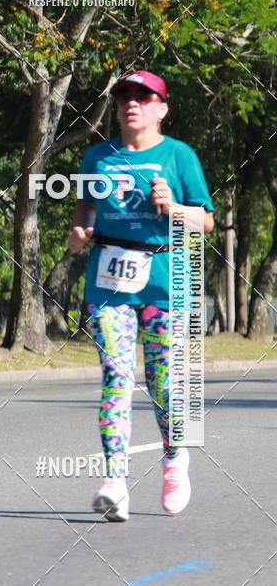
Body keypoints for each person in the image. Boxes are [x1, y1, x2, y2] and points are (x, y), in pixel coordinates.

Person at [67, 70, 214, 522]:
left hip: (168, 277)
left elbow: (205, 223)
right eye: (124, 96)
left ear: (162, 108)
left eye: (144, 96)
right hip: (109, 279)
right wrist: (78, 231)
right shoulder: (97, 156)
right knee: (116, 375)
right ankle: (115, 479)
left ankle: (175, 457)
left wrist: (174, 209)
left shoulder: (179, 156)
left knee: (164, 383)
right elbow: (84, 210)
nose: (133, 102)